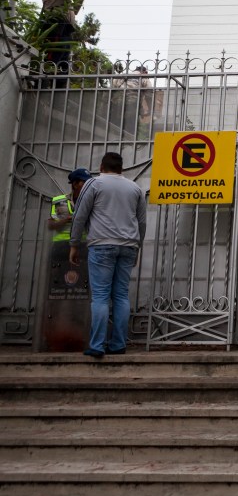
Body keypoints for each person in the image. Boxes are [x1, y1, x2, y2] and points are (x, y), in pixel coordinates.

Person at [68, 152, 146, 358]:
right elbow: (142, 222)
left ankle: (97, 345)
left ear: (101, 166)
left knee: (101, 297)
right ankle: (118, 344)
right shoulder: (135, 188)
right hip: (128, 246)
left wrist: (74, 244)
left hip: (102, 245)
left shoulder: (93, 185)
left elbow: (79, 216)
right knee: (120, 295)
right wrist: (137, 246)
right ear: (122, 168)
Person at [40, 0, 91, 83]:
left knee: (63, 65)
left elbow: (75, 10)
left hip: (65, 28)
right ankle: (43, 87)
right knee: (52, 61)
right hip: (55, 25)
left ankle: (58, 92)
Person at [48, 168, 92, 244]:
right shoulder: (59, 201)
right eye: (84, 182)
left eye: (89, 182)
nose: (88, 185)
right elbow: (51, 226)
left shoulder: (91, 201)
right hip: (61, 245)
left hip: (83, 244)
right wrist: (66, 219)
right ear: (75, 184)